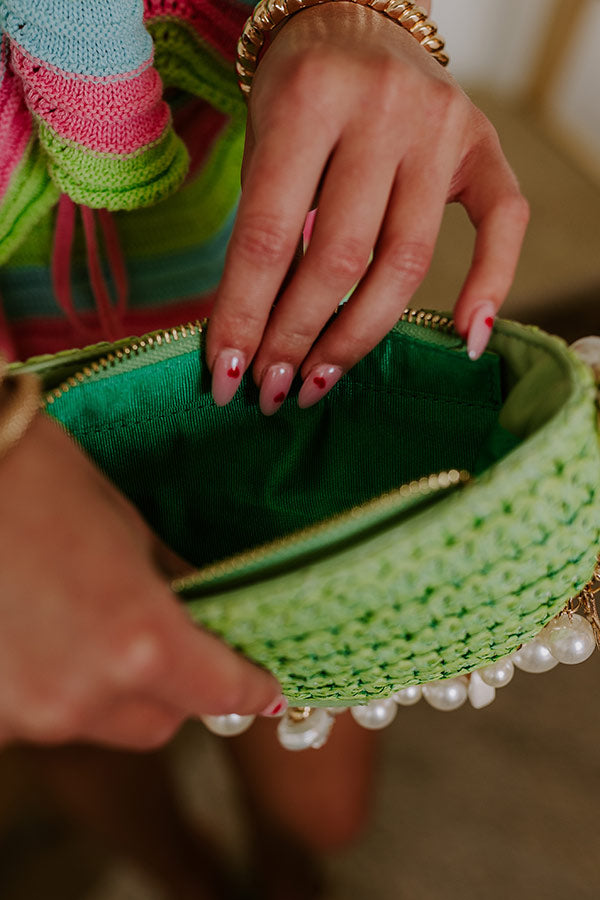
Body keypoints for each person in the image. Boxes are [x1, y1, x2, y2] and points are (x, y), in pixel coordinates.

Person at [0, 0, 528, 894]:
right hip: (31, 393)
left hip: (251, 314)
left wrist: (350, 17)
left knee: (322, 807)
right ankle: (188, 875)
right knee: (92, 733)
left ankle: (286, 872)